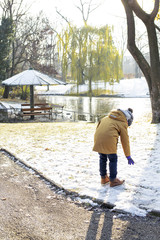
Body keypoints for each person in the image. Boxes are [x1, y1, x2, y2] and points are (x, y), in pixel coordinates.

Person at [93, 108, 134, 187]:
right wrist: (128, 156)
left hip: (98, 140)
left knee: (102, 158)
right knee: (113, 159)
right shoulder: (122, 123)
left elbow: (98, 129)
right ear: (127, 119)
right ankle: (113, 180)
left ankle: (103, 178)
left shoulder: (105, 118)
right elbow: (125, 141)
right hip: (109, 140)